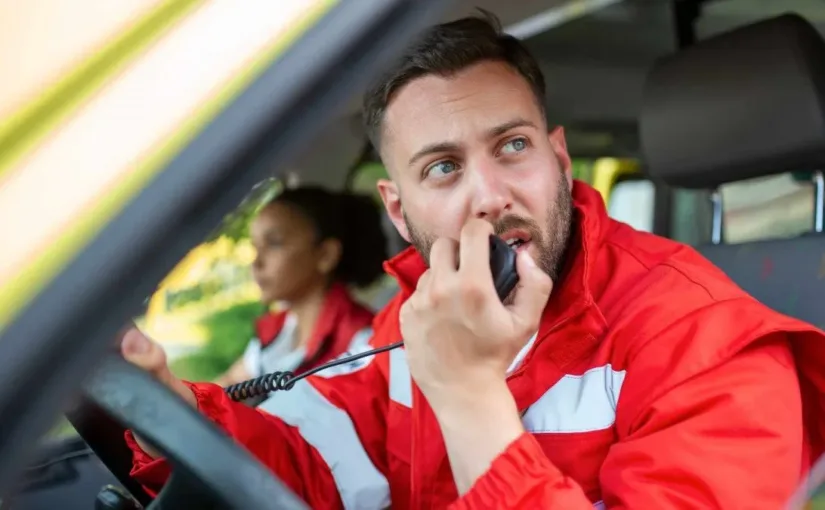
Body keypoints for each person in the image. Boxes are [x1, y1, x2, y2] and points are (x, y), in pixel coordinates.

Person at [119, 12, 825, 510]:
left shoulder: (709, 346)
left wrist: (466, 393)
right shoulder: (418, 316)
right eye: (443, 167)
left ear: (557, 159)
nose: (489, 195)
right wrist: (162, 409)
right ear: (399, 211)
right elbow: (307, 465)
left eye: (512, 146)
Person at [212, 186, 387, 413]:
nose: (257, 262)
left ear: (325, 255)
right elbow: (227, 384)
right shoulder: (279, 330)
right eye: (256, 246)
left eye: (274, 243)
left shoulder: (362, 344)